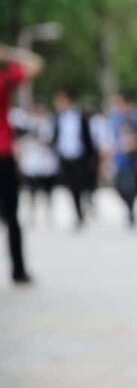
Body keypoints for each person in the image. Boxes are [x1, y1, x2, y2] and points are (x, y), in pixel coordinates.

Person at [0, 44, 43, 283]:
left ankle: (18, 268)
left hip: (4, 152)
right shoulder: (4, 79)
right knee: (12, 216)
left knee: (12, 217)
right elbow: (36, 64)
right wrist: (10, 53)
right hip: (3, 154)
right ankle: (18, 270)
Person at [53, 89, 95, 229]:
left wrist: (91, 157)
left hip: (80, 156)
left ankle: (86, 203)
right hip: (66, 156)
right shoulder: (58, 117)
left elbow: (88, 138)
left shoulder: (80, 117)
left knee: (82, 183)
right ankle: (78, 213)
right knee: (71, 186)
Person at [109, 91, 137, 227]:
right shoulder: (115, 118)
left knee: (130, 186)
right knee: (118, 186)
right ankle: (129, 208)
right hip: (120, 158)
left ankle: (131, 212)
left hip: (134, 159)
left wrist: (135, 142)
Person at [17, 104, 58, 224]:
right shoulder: (29, 124)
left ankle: (48, 213)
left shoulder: (50, 124)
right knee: (32, 191)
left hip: (46, 163)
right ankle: (32, 214)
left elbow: (52, 140)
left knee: (47, 191)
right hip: (32, 164)